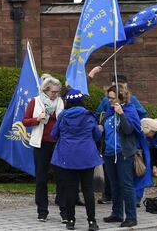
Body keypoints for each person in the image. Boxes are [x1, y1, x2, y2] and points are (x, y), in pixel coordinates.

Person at [88, 67, 147, 205]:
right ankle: (109, 196)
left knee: (129, 174)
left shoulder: (133, 101)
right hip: (109, 141)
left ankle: (134, 199)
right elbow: (99, 115)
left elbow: (141, 115)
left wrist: (125, 115)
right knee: (110, 174)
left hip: (126, 143)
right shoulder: (106, 100)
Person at [50, 89, 103, 230]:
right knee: (88, 189)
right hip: (87, 156)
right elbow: (97, 135)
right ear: (81, 101)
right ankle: (92, 222)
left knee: (70, 189)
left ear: (67, 102)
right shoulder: (88, 115)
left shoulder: (62, 116)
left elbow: (54, 134)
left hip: (67, 157)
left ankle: (70, 221)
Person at [101, 84, 151, 228]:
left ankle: (131, 217)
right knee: (114, 184)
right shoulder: (109, 111)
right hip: (109, 152)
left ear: (121, 97)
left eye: (112, 98)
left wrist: (121, 114)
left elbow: (129, 130)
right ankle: (117, 213)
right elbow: (104, 127)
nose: (109, 100)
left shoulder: (129, 110)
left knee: (126, 185)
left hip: (123, 152)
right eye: (108, 97)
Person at [22, 74, 65, 222]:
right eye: (53, 92)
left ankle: (65, 212)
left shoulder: (60, 102)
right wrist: (37, 119)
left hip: (57, 144)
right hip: (41, 144)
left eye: (57, 92)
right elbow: (25, 121)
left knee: (61, 178)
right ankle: (42, 211)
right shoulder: (36, 101)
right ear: (46, 90)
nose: (55, 94)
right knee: (41, 179)